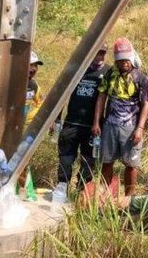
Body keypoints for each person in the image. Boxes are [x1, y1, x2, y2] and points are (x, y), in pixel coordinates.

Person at [92, 37, 148, 196]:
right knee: (107, 161)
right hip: (110, 126)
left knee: (131, 164)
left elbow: (146, 103)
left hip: (131, 128)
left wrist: (140, 128)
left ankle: (129, 198)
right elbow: (101, 98)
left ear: (132, 58)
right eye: (120, 61)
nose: (124, 64)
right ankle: (104, 194)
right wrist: (96, 122)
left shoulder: (141, 78)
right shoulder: (110, 74)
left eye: (126, 60)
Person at [54, 44, 110, 193]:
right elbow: (62, 94)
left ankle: (81, 194)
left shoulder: (108, 72)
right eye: (97, 53)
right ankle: (61, 190)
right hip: (71, 123)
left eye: (102, 53)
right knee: (66, 159)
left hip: (93, 127)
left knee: (88, 162)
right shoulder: (77, 69)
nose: (99, 57)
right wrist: (56, 119)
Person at [0, 51, 44, 125]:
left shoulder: (34, 86)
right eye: (30, 64)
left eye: (36, 65)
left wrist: (27, 119)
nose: (34, 68)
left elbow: (42, 104)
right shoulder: (3, 82)